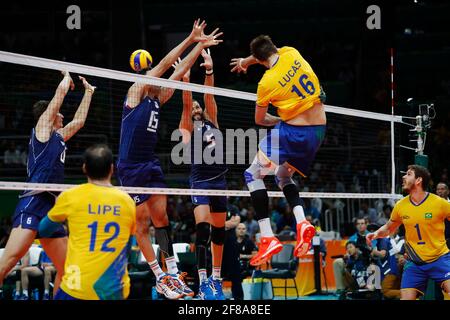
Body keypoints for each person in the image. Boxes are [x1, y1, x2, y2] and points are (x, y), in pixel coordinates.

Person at [116, 20, 223, 299]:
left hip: (150, 163)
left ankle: (173, 274)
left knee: (161, 219)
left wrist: (200, 46)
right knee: (141, 224)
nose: (159, 75)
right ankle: (159, 275)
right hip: (131, 167)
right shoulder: (136, 91)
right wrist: (190, 38)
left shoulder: (157, 97)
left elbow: (178, 72)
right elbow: (165, 64)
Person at [230, 35, 326, 265]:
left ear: (261, 61)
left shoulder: (266, 82)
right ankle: (303, 223)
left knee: (252, 174)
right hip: (319, 131)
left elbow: (260, 120)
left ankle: (267, 237)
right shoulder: (290, 51)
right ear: (274, 48)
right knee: (282, 176)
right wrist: (245, 61)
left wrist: (279, 119)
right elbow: (264, 53)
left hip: (294, 133)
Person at [0, 72, 95, 298]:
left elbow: (79, 121)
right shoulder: (42, 130)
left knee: (66, 269)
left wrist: (89, 93)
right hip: (33, 201)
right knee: (8, 262)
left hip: (52, 209)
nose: (61, 114)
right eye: (58, 112)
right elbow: (60, 95)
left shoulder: (59, 136)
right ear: (49, 115)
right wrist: (66, 77)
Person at [38, 145, 136, 300]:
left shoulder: (70, 196)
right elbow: (127, 247)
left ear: (84, 168)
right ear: (112, 169)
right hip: (114, 290)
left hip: (77, 287)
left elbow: (43, 230)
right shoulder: (128, 201)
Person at [177, 48, 227, 300]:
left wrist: (208, 69)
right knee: (204, 229)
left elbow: (209, 95)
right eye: (193, 106)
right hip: (199, 182)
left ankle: (216, 280)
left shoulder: (213, 121)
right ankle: (203, 280)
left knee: (219, 232)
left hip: (220, 181)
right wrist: (185, 81)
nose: (197, 108)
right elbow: (188, 104)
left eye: (199, 106)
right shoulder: (186, 126)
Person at [367, 165, 450, 300]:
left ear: (418, 180)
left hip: (440, 258)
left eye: (408, 174)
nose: (404, 177)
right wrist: (376, 233)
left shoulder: (439, 203)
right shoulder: (401, 205)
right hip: (414, 263)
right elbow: (389, 227)